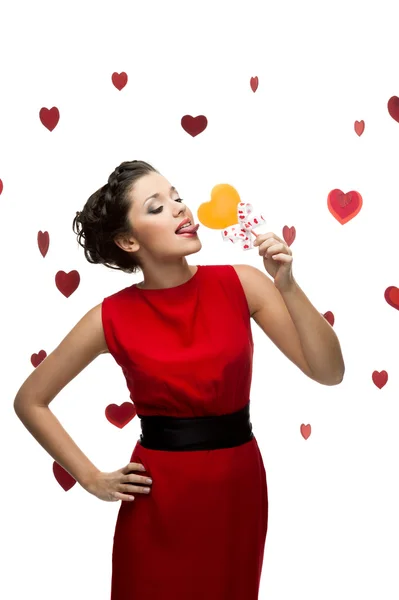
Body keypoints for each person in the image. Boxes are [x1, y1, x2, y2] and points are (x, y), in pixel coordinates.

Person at [14, 160, 345, 599]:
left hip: (236, 489)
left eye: (177, 197)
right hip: (159, 497)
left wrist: (287, 285)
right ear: (128, 240)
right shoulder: (108, 317)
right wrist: (90, 477)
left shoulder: (243, 284)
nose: (180, 210)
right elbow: (30, 399)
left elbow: (330, 372)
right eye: (157, 207)